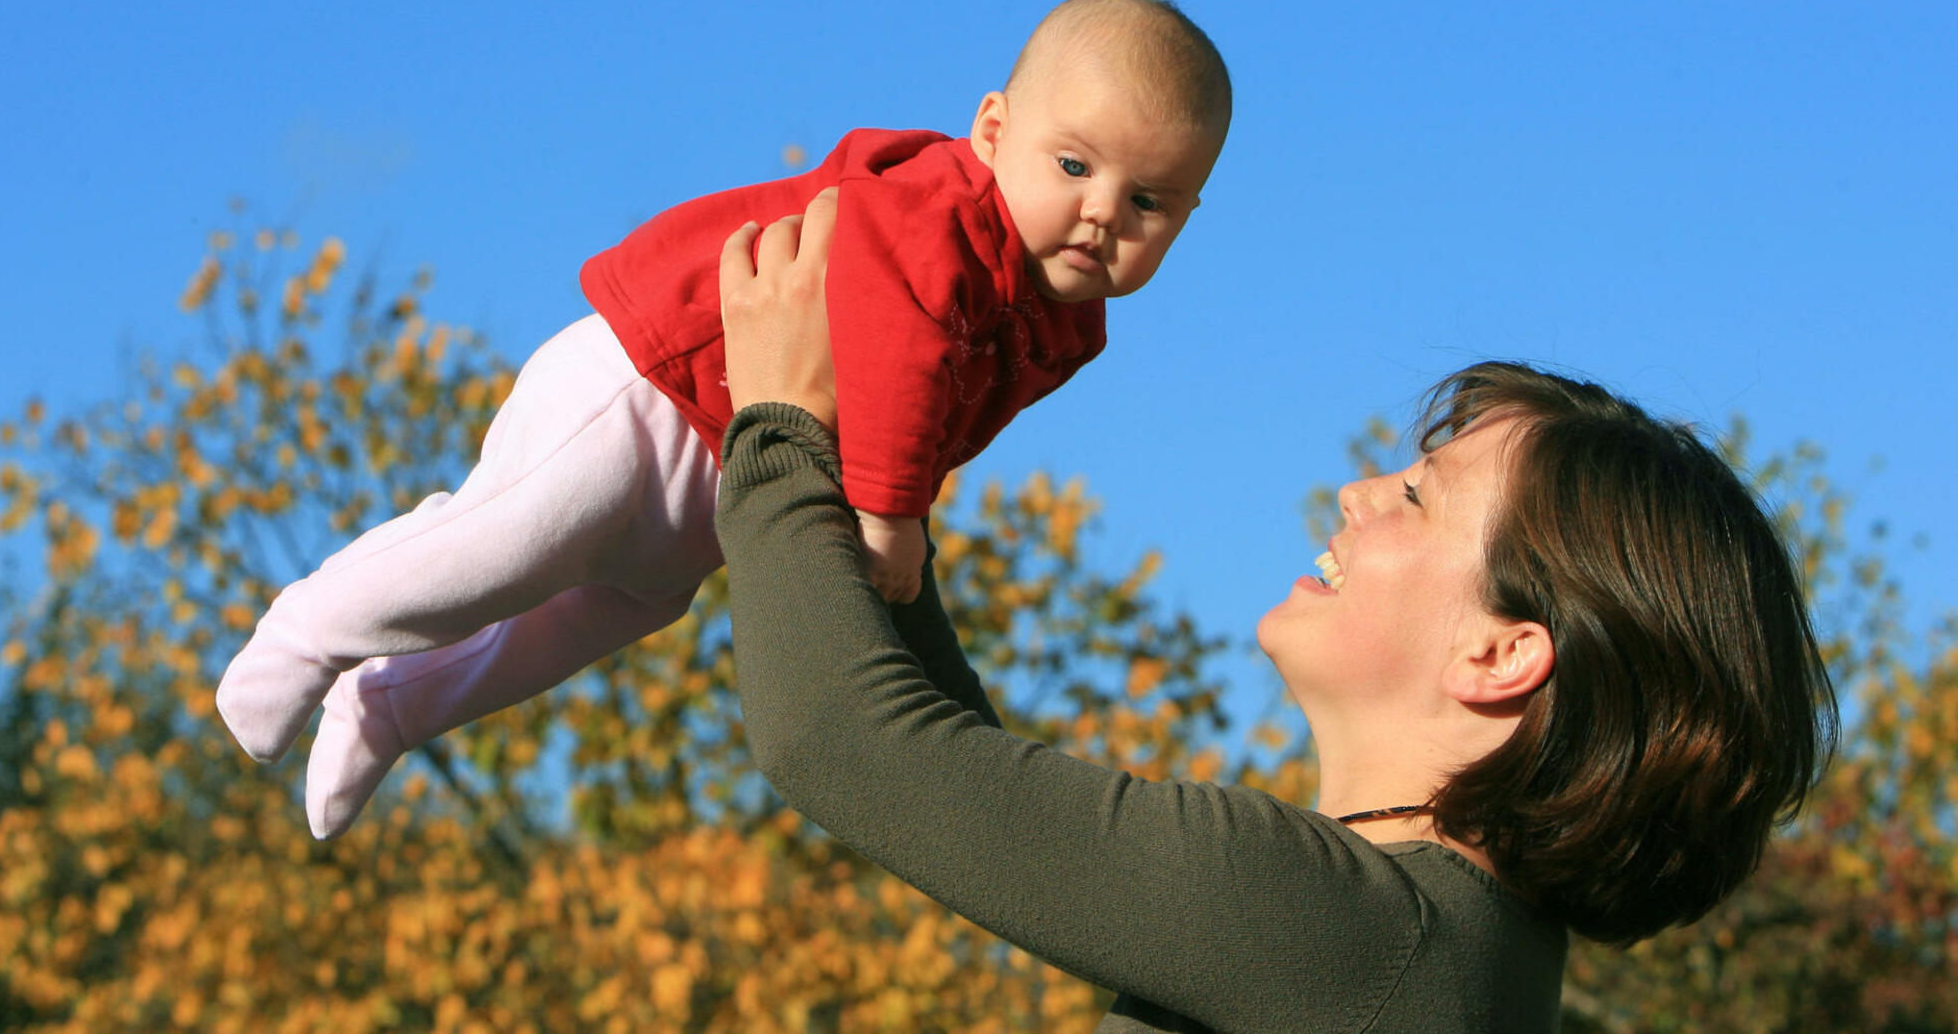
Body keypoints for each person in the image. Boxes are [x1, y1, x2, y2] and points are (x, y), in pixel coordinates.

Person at [711, 191, 1838, 1032]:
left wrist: (774, 421)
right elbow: (958, 774)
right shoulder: (1448, 949)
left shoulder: (1354, 926)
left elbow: (842, 738)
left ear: (1501, 653)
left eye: (1417, 497)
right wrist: (881, 494)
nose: (1357, 493)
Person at [214, 0, 1232, 839]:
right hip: (654, 388)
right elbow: (898, 342)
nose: (1103, 212)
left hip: (724, 474)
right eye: (1074, 166)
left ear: (1188, 217)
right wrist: (889, 512)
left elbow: (938, 416)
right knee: (499, 547)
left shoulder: (1063, 323)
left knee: (589, 619)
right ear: (993, 131)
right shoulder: (941, 212)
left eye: (1148, 201)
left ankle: (391, 707)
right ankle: (306, 631)